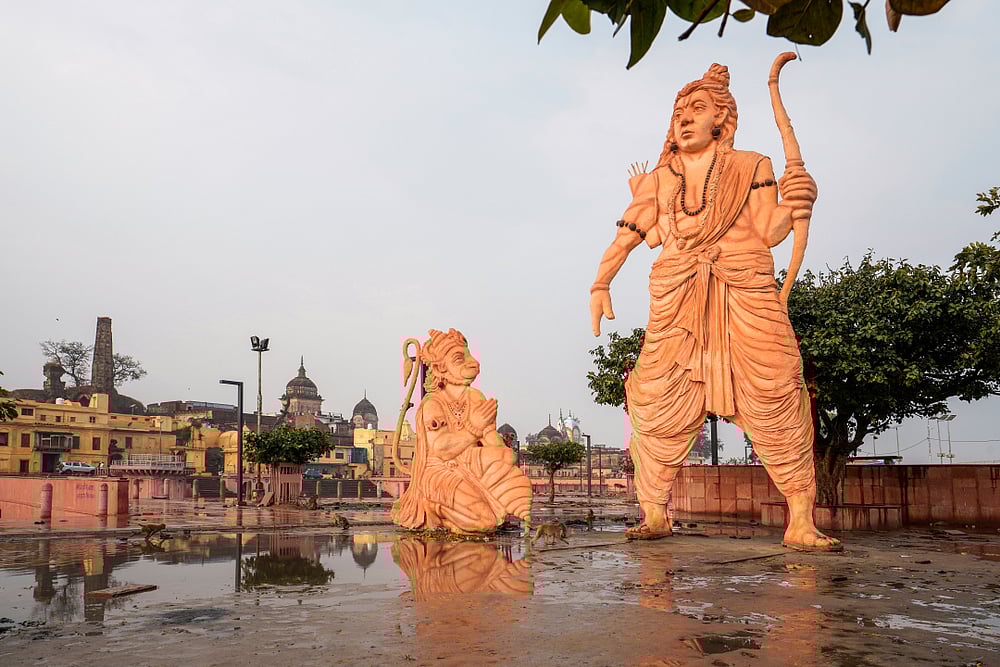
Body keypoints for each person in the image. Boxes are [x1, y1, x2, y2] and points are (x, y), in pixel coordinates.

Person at [589, 63, 839, 551]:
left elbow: (769, 230)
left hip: (745, 291)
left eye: (697, 110)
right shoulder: (662, 180)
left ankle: (801, 521)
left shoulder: (753, 164)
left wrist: (799, 199)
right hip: (678, 296)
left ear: (721, 122)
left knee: (777, 390)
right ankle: (655, 513)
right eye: (679, 111)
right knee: (657, 398)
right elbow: (631, 230)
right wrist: (601, 280)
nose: (684, 119)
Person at [392, 328, 532, 534]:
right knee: (484, 522)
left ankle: (502, 507)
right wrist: (474, 428)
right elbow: (441, 448)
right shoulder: (432, 404)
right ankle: (434, 507)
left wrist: (501, 453)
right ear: (441, 369)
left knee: (504, 459)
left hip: (470, 463)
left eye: (468, 355)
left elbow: (489, 437)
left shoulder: (476, 397)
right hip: (438, 470)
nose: (473, 362)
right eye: (459, 359)